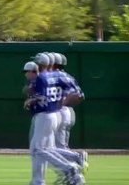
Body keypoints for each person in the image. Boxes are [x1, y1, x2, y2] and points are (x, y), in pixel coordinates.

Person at [26, 53, 84, 185]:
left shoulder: (41, 77)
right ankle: (38, 180)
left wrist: (31, 99)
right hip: (55, 113)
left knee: (38, 150)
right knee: (45, 149)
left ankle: (69, 167)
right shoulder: (58, 76)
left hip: (45, 114)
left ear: (40, 63)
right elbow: (78, 94)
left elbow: (41, 96)